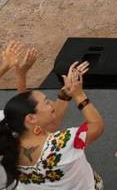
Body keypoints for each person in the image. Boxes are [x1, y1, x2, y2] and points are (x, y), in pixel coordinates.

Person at [0, 60, 103, 189]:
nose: (51, 103)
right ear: (31, 118)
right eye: (46, 102)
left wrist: (65, 95)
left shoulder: (7, 141)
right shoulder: (63, 144)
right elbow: (96, 125)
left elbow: (22, 111)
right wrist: (79, 94)